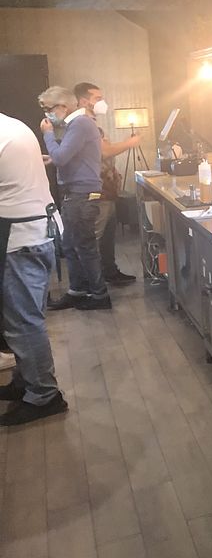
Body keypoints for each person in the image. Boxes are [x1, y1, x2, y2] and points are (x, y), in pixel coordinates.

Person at [0, 112, 67, 425]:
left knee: (24, 323)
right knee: (25, 318)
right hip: (36, 233)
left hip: (19, 240)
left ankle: (44, 395)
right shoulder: (13, 125)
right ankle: (27, 381)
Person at [38, 85, 111, 310]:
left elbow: (61, 157)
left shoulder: (80, 124)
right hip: (75, 194)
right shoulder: (77, 124)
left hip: (82, 194)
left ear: (63, 106)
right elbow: (69, 155)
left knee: (84, 246)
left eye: (49, 109)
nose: (47, 115)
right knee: (70, 244)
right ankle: (77, 290)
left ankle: (99, 295)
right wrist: (53, 157)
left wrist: (48, 135)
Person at [74, 82, 139, 285]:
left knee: (108, 237)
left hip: (108, 191)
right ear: (84, 101)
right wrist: (129, 143)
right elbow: (104, 152)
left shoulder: (94, 126)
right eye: (97, 98)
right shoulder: (83, 124)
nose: (102, 102)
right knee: (94, 238)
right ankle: (90, 283)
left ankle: (109, 271)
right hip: (97, 192)